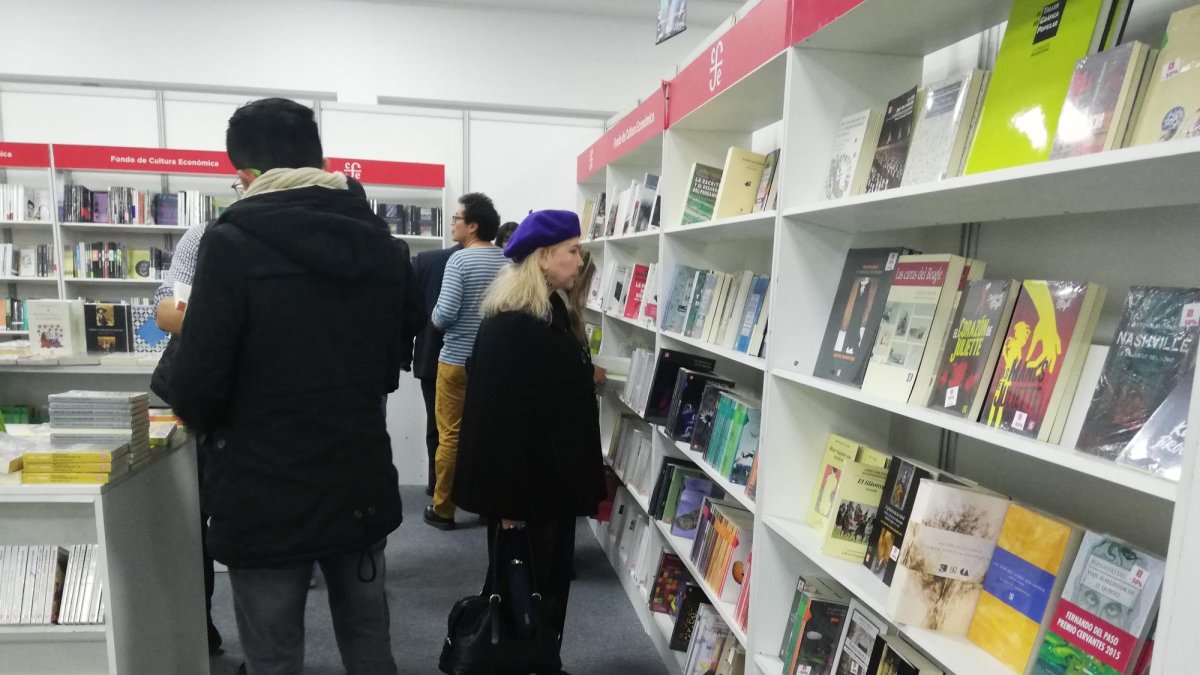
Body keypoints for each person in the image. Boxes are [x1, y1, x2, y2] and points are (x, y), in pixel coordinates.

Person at [169, 97, 425, 675]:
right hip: (356, 472)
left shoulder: (228, 243)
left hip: (262, 484)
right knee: (370, 642)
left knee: (274, 654)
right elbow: (401, 339)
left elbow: (198, 381)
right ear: (319, 160)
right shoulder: (383, 244)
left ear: (245, 174)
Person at [453, 210, 607, 671]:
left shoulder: (549, 312)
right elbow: (497, 424)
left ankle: (542, 660)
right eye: (572, 251)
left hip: (550, 484)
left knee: (547, 587)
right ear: (543, 257)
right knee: (521, 591)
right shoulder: (512, 326)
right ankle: (523, 662)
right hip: (525, 493)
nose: (579, 261)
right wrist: (509, 508)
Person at [424, 192, 505, 531]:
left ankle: (443, 509)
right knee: (491, 435)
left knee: (451, 436)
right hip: (494, 364)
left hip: (456, 361)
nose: (453, 223)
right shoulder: (508, 261)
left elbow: (443, 315)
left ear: (472, 226)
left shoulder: (458, 261)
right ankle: (489, 506)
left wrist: (433, 316)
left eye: (457, 218)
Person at [411, 240, 463, 495]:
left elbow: (410, 309)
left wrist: (403, 353)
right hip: (477, 358)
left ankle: (437, 486)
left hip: (430, 353)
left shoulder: (426, 261)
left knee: (437, 426)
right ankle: (469, 489)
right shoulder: (498, 262)